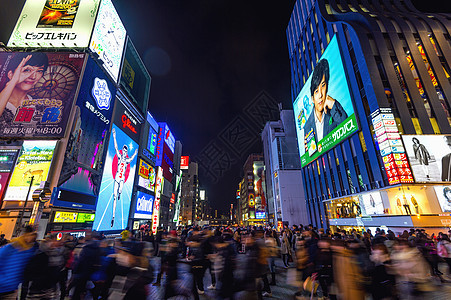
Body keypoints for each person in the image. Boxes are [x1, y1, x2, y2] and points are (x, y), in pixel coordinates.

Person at [303, 58, 348, 148]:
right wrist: (308, 154)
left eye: (323, 86)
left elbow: (348, 128)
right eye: (316, 91)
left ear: (327, 87)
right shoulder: (307, 126)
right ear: (312, 98)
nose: (320, 95)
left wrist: (334, 105)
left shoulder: (334, 110)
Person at [0, 226, 38, 299]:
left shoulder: (31, 250)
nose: (31, 238)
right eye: (30, 235)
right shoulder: (11, 247)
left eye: (33, 235)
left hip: (12, 289)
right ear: (25, 235)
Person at [110, 127, 138, 227]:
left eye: (126, 151)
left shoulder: (126, 160)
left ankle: (120, 193)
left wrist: (135, 153)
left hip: (121, 178)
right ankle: (113, 217)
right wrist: (114, 136)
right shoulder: (119, 156)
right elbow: (116, 147)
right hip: (117, 177)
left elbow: (131, 159)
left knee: (120, 191)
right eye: (124, 151)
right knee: (114, 196)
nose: (125, 153)